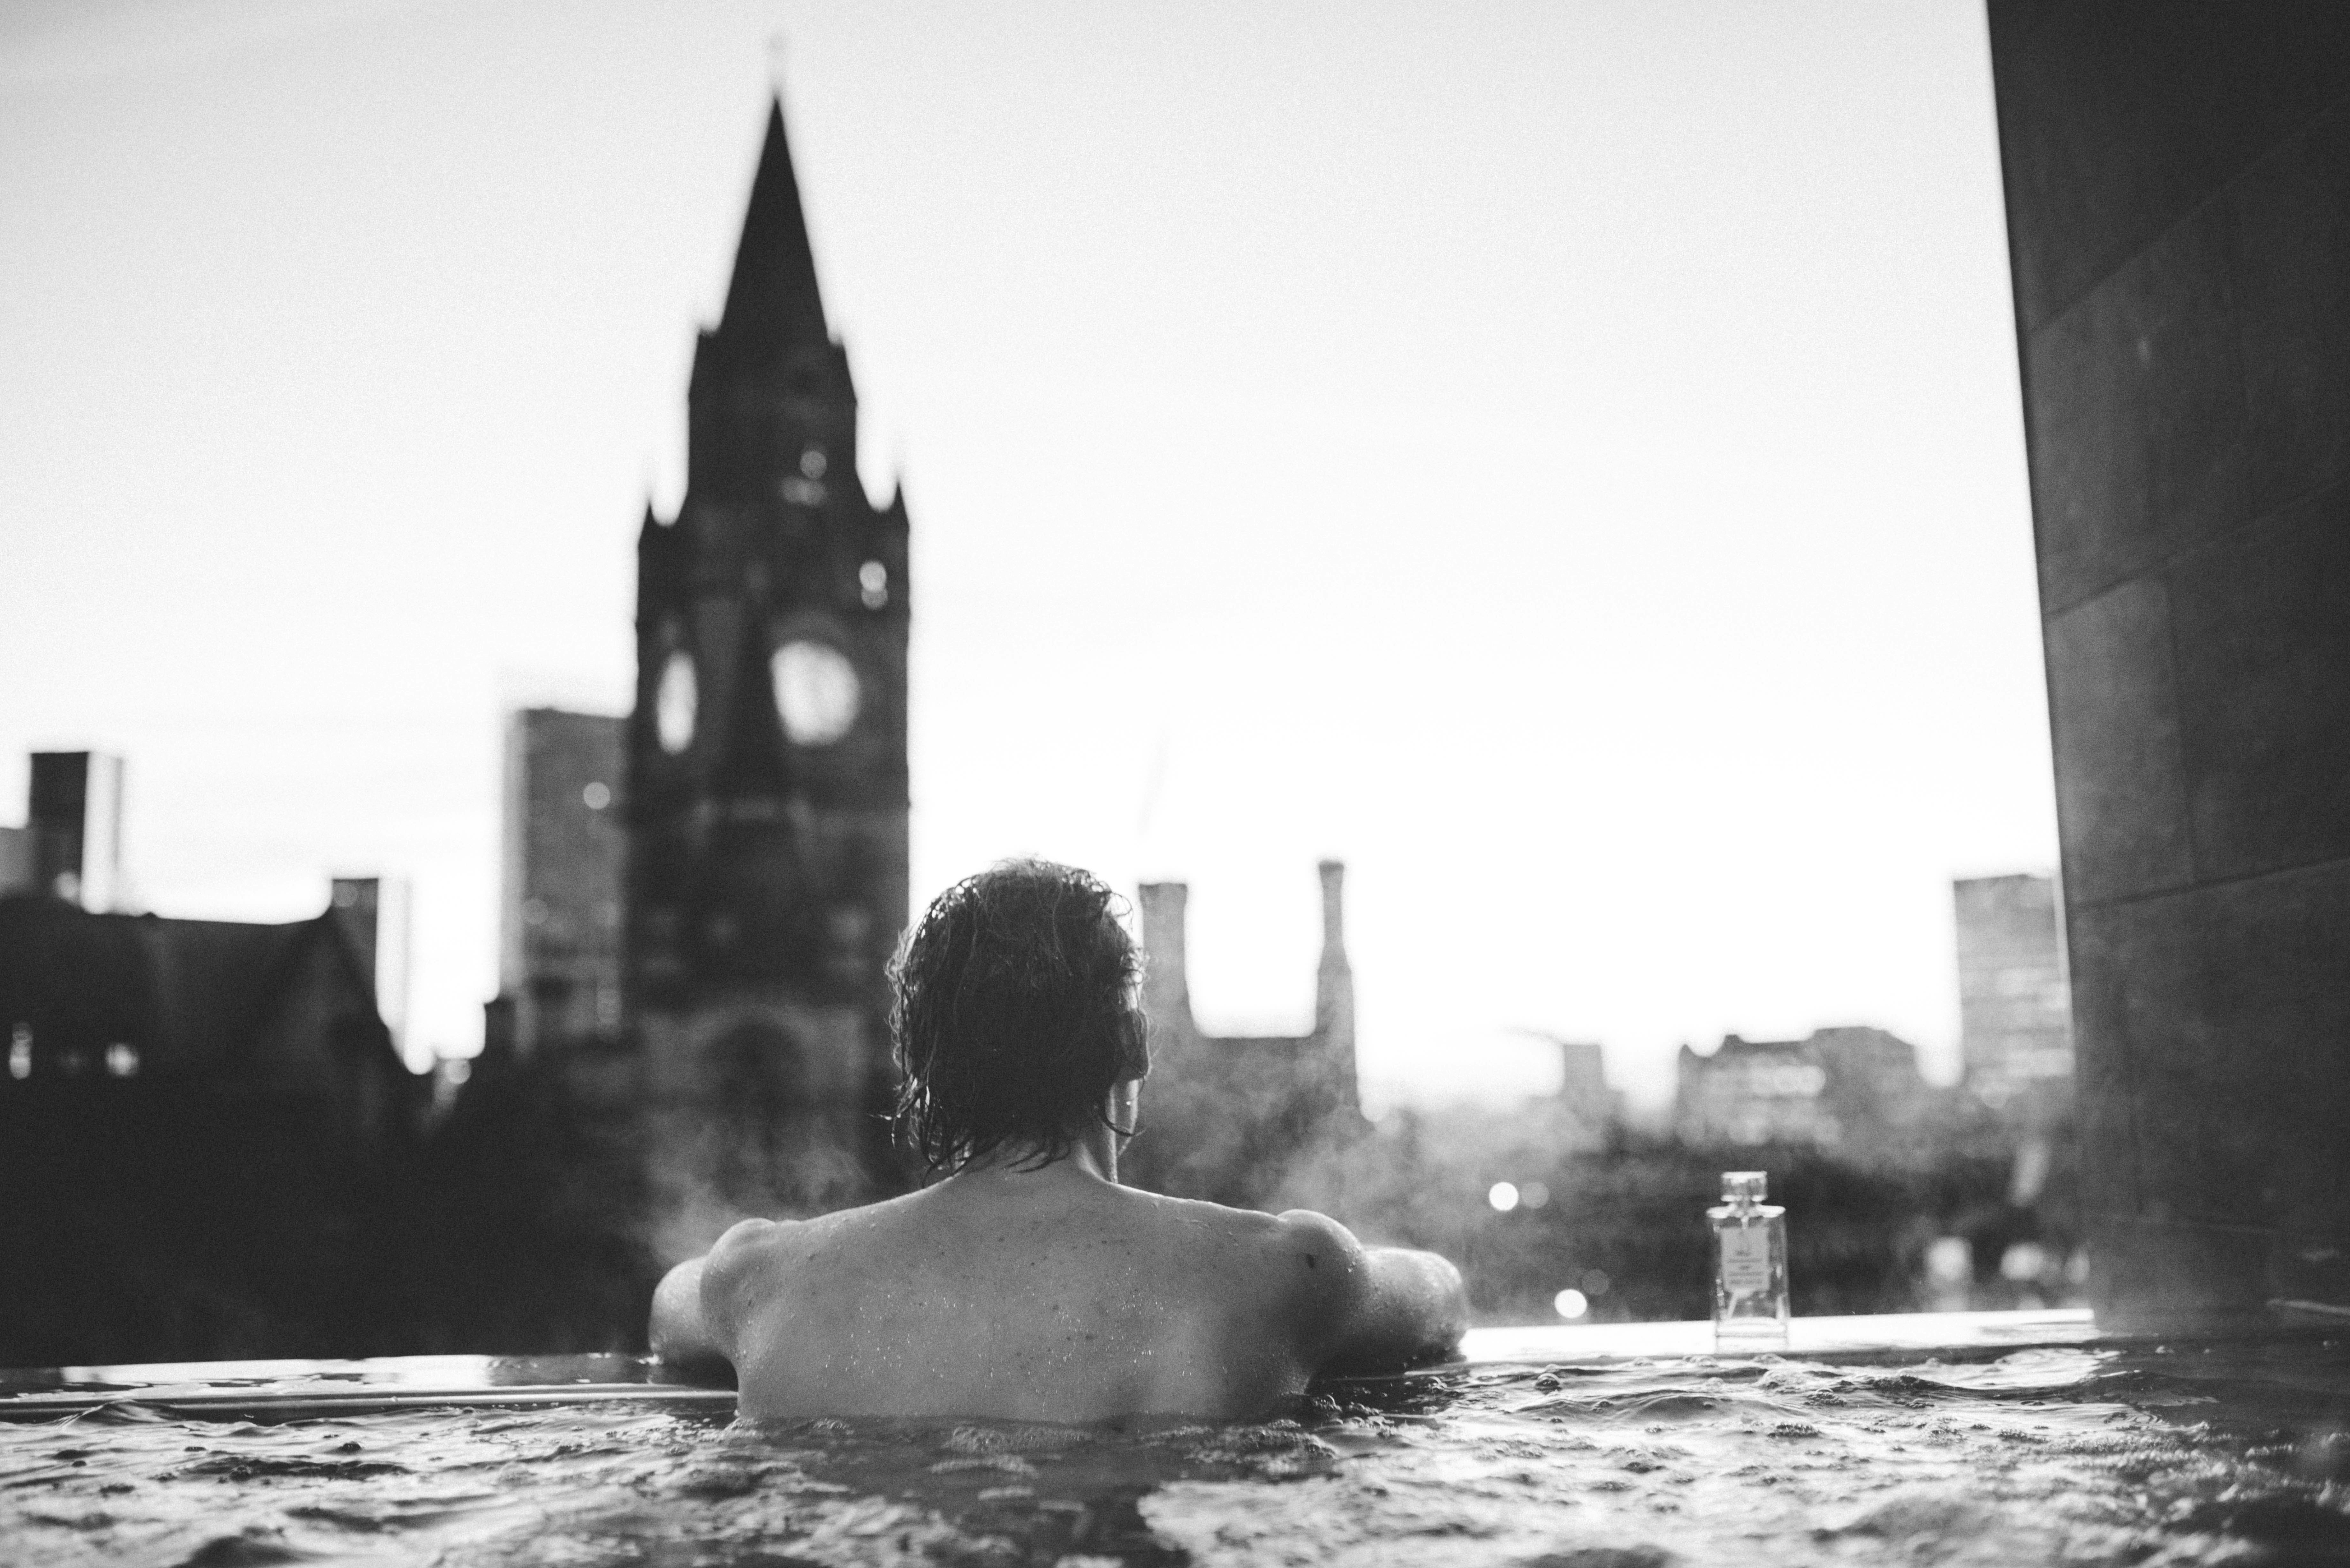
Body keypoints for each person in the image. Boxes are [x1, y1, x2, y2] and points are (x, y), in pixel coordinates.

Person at [648, 858, 1468, 1424]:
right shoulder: (1280, 1272)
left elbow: (670, 1309)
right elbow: (1436, 1293)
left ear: (921, 1064)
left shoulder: (758, 1280)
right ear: (1134, 1046)